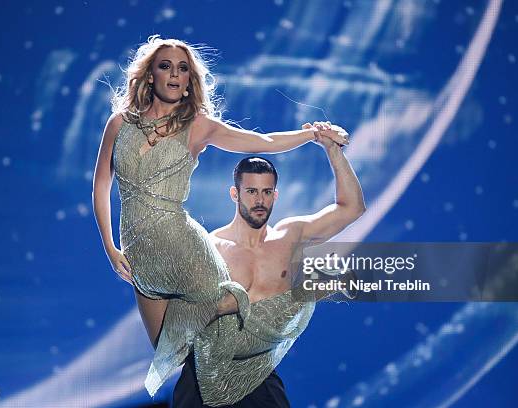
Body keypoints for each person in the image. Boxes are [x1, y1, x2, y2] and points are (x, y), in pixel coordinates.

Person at [91, 35, 349, 397]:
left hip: (181, 240)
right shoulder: (119, 124)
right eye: (165, 66)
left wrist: (312, 134)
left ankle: (294, 301)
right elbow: (102, 184)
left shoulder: (198, 126)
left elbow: (266, 142)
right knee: (171, 351)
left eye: (183, 69)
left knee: (225, 313)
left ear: (189, 82)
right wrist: (109, 246)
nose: (175, 74)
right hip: (139, 254)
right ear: (149, 76)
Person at [172, 132, 365, 406]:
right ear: (235, 193)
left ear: (275, 195)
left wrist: (333, 151)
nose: (259, 201)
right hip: (204, 376)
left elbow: (352, 207)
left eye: (266, 192)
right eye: (251, 191)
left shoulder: (288, 238)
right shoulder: (211, 247)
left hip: (258, 375)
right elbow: (183, 316)